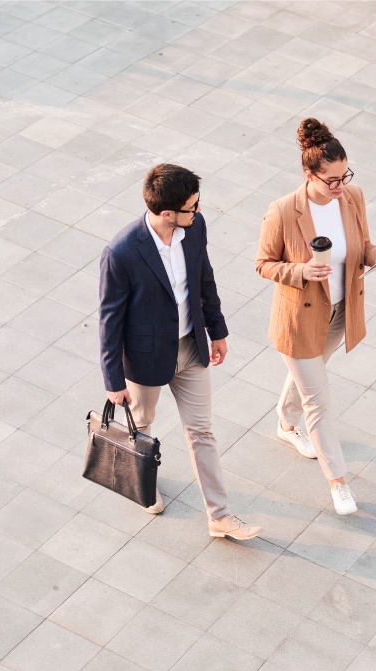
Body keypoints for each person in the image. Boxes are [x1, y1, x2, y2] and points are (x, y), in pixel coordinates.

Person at [99, 163, 261, 540]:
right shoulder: (121, 252)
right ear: (167, 213)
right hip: (145, 359)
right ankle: (143, 483)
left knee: (202, 432)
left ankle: (219, 516)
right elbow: (110, 321)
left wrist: (217, 330)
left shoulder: (194, 228)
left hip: (191, 348)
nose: (199, 211)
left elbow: (205, 277)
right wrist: (113, 380)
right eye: (192, 206)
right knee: (142, 428)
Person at [256, 118, 376, 515]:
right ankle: (338, 482)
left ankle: (284, 425)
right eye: (332, 181)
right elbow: (263, 264)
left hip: (340, 313)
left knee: (311, 376)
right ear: (310, 175)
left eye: (345, 176)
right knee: (318, 401)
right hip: (300, 318)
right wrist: (300, 271)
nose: (340, 187)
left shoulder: (352, 197)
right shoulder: (284, 211)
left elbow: (363, 247)